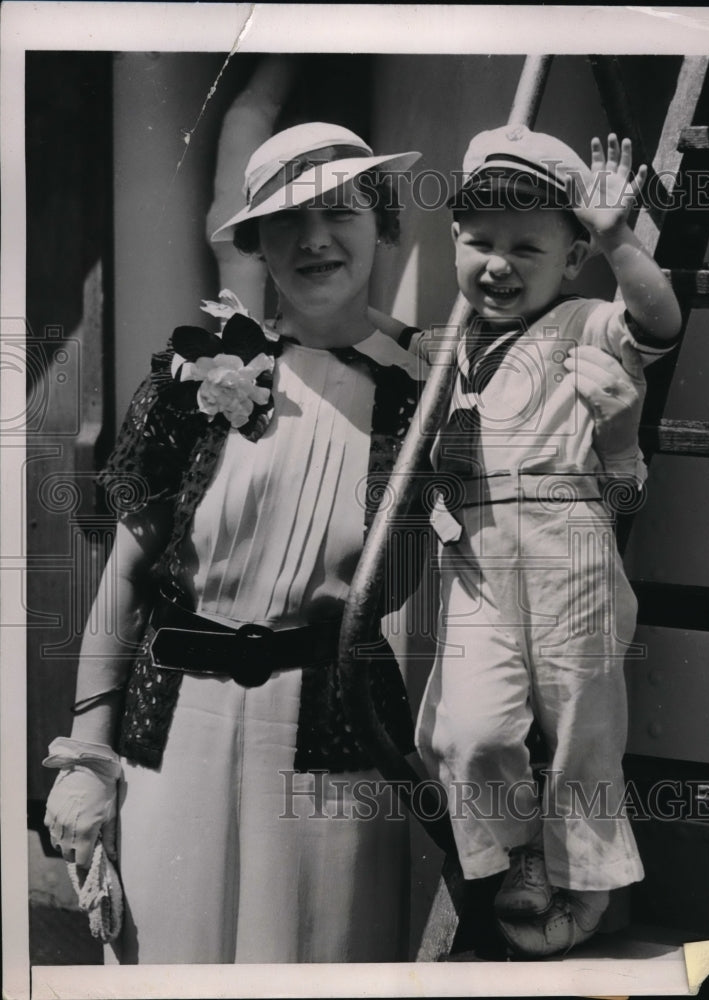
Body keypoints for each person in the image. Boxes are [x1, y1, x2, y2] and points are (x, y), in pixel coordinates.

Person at [42, 119, 648, 965]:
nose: (315, 238)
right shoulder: (196, 375)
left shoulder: (437, 387)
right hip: (173, 733)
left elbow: (557, 517)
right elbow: (126, 577)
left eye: (343, 211)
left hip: (334, 739)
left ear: (386, 225)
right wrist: (85, 755)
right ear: (255, 241)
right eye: (286, 219)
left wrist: (619, 437)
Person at [415, 126, 682, 958]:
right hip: (476, 554)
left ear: (570, 260)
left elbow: (659, 318)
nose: (497, 264)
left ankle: (583, 877)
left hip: (566, 541)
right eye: (478, 243)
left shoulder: (582, 321)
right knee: (472, 731)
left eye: (526, 247)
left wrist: (617, 238)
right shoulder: (453, 344)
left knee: (579, 723)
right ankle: (524, 840)